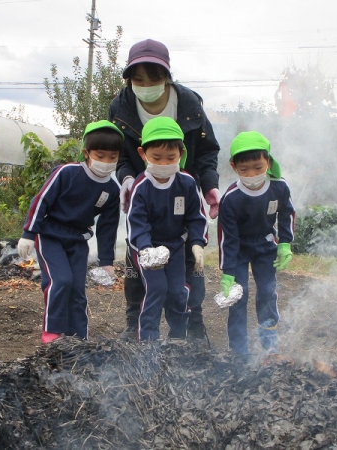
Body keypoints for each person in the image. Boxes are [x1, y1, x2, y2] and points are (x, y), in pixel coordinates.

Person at [108, 38, 221, 341]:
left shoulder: (189, 104)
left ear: (167, 76)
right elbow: (119, 153)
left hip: (182, 190)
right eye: (138, 79)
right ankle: (135, 324)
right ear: (129, 79)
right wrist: (127, 177)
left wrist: (209, 186)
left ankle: (192, 324)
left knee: (191, 267)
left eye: (154, 78)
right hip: (144, 189)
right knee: (136, 265)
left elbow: (207, 151)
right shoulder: (120, 106)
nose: (146, 85)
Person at [17, 120, 125, 344]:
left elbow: (108, 226)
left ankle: (79, 337)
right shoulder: (66, 173)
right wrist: (28, 233)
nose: (106, 162)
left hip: (78, 240)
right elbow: (41, 200)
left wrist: (106, 261)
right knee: (61, 281)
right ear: (86, 153)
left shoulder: (112, 189)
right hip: (51, 236)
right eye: (100, 155)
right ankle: (52, 332)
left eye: (112, 157)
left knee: (77, 289)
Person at [126, 116, 207, 341]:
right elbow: (137, 223)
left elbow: (196, 216)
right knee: (157, 289)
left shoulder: (187, 183)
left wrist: (197, 243)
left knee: (178, 292)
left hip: (175, 247)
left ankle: (177, 339)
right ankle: (148, 342)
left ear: (181, 153)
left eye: (171, 158)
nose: (163, 164)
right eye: (156, 158)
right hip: (147, 249)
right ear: (143, 154)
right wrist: (145, 249)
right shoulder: (141, 186)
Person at [217, 131, 295, 356]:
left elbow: (287, 213)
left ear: (268, 162)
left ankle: (270, 346)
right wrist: (228, 271)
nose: (252, 174)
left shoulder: (279, 187)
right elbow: (227, 237)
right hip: (239, 250)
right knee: (237, 297)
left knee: (268, 292)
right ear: (234, 167)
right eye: (244, 170)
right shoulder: (231, 198)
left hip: (265, 246)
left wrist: (285, 243)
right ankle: (238, 351)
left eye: (258, 167)